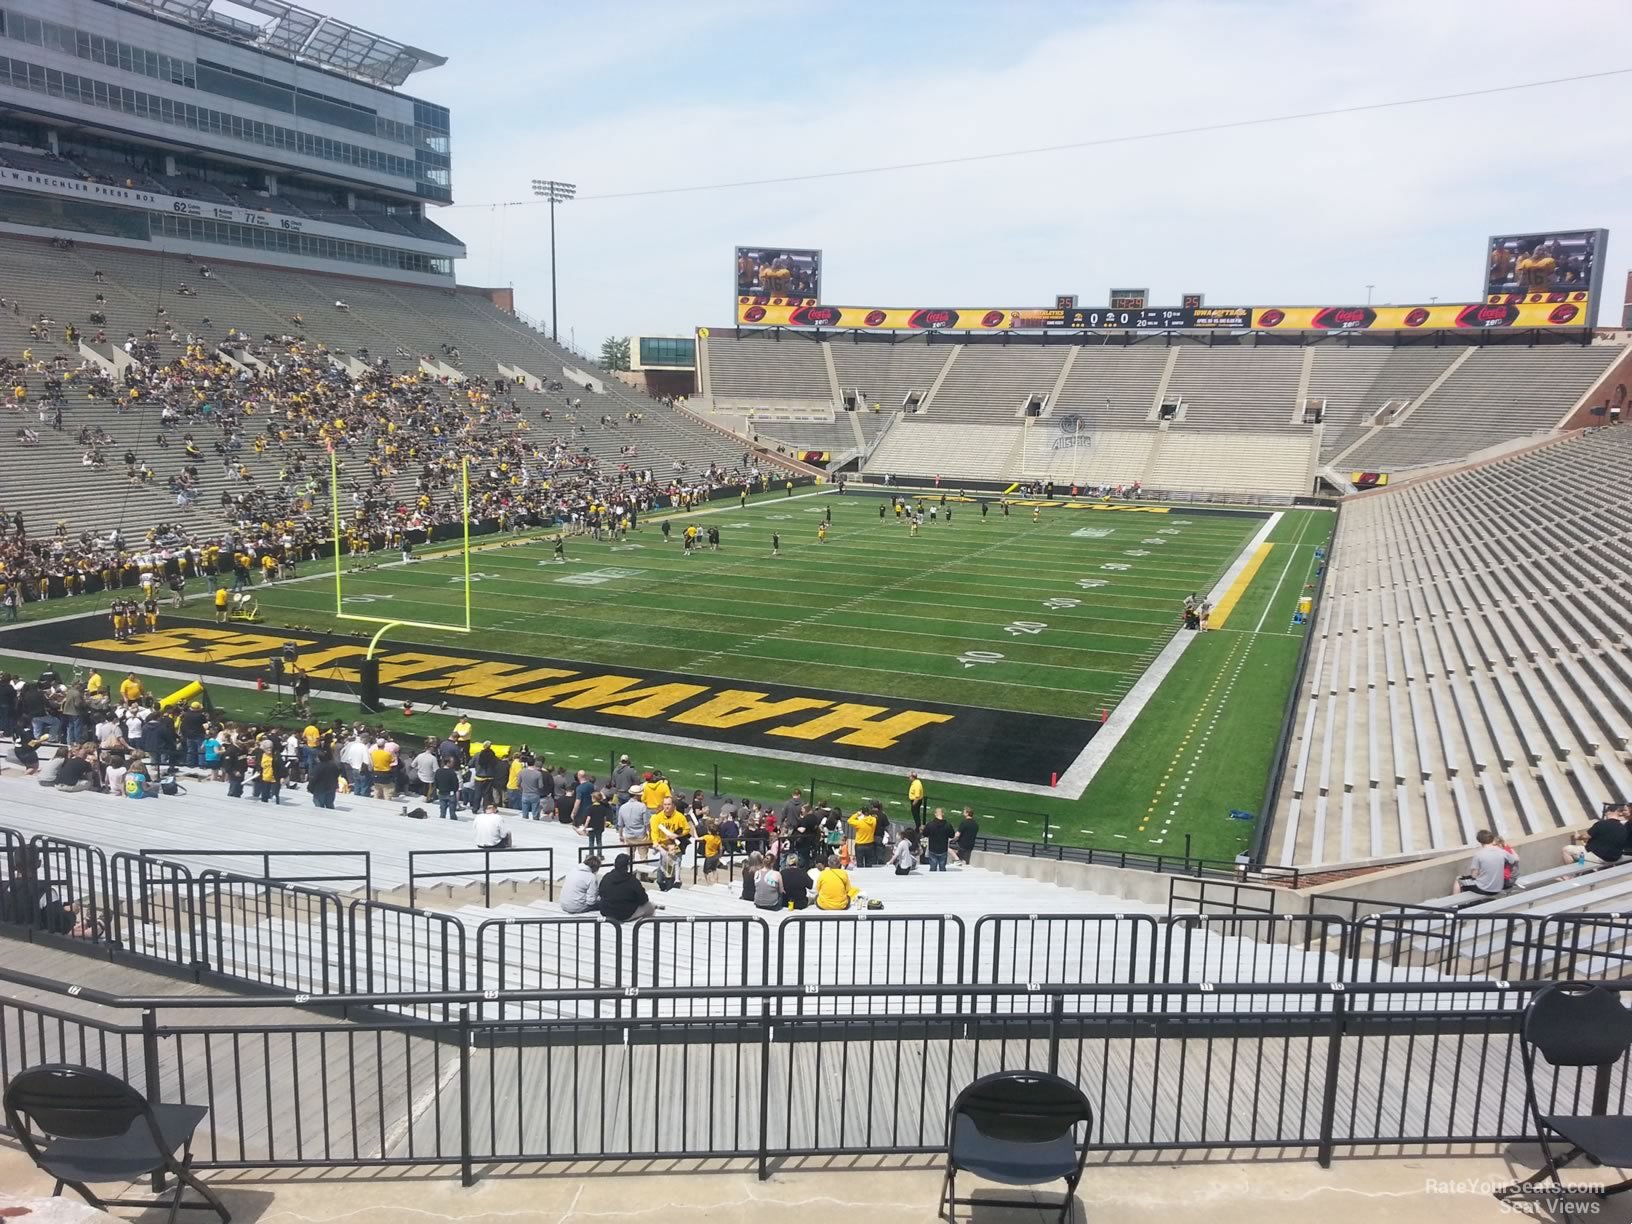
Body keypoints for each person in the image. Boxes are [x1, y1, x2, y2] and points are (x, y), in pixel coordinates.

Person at [1454, 829, 1517, 896]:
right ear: (1492, 839)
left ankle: (1455, 905)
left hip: (1483, 888)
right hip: (1498, 888)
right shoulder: (1502, 852)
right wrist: (1510, 848)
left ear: (1479, 841)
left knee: (1458, 880)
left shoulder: (1478, 854)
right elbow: (1514, 859)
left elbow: (1474, 875)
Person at [598, 853, 657, 922]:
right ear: (627, 866)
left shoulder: (606, 877)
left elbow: (601, 893)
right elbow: (644, 900)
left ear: (615, 864)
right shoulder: (632, 881)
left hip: (606, 912)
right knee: (650, 906)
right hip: (625, 915)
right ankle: (643, 925)